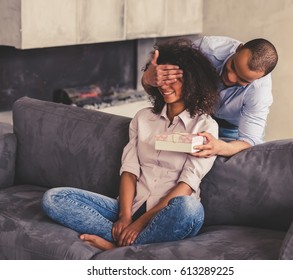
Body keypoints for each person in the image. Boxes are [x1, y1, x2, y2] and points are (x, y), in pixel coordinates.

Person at [41, 39, 220, 250]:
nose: (164, 85)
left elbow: (187, 186)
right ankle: (132, 246)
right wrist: (125, 217)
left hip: (170, 213)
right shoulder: (143, 118)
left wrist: (139, 224)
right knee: (54, 198)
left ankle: (115, 248)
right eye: (161, 79)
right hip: (134, 204)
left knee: (189, 208)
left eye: (174, 80)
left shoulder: (205, 125)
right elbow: (129, 171)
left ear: (191, 82)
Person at [141, 36, 278, 157]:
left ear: (259, 78)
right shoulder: (207, 48)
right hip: (194, 115)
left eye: (242, 80)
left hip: (231, 131)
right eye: (233, 66)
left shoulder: (260, 93)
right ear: (238, 49)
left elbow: (250, 141)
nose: (230, 78)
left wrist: (220, 147)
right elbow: (168, 89)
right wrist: (148, 78)